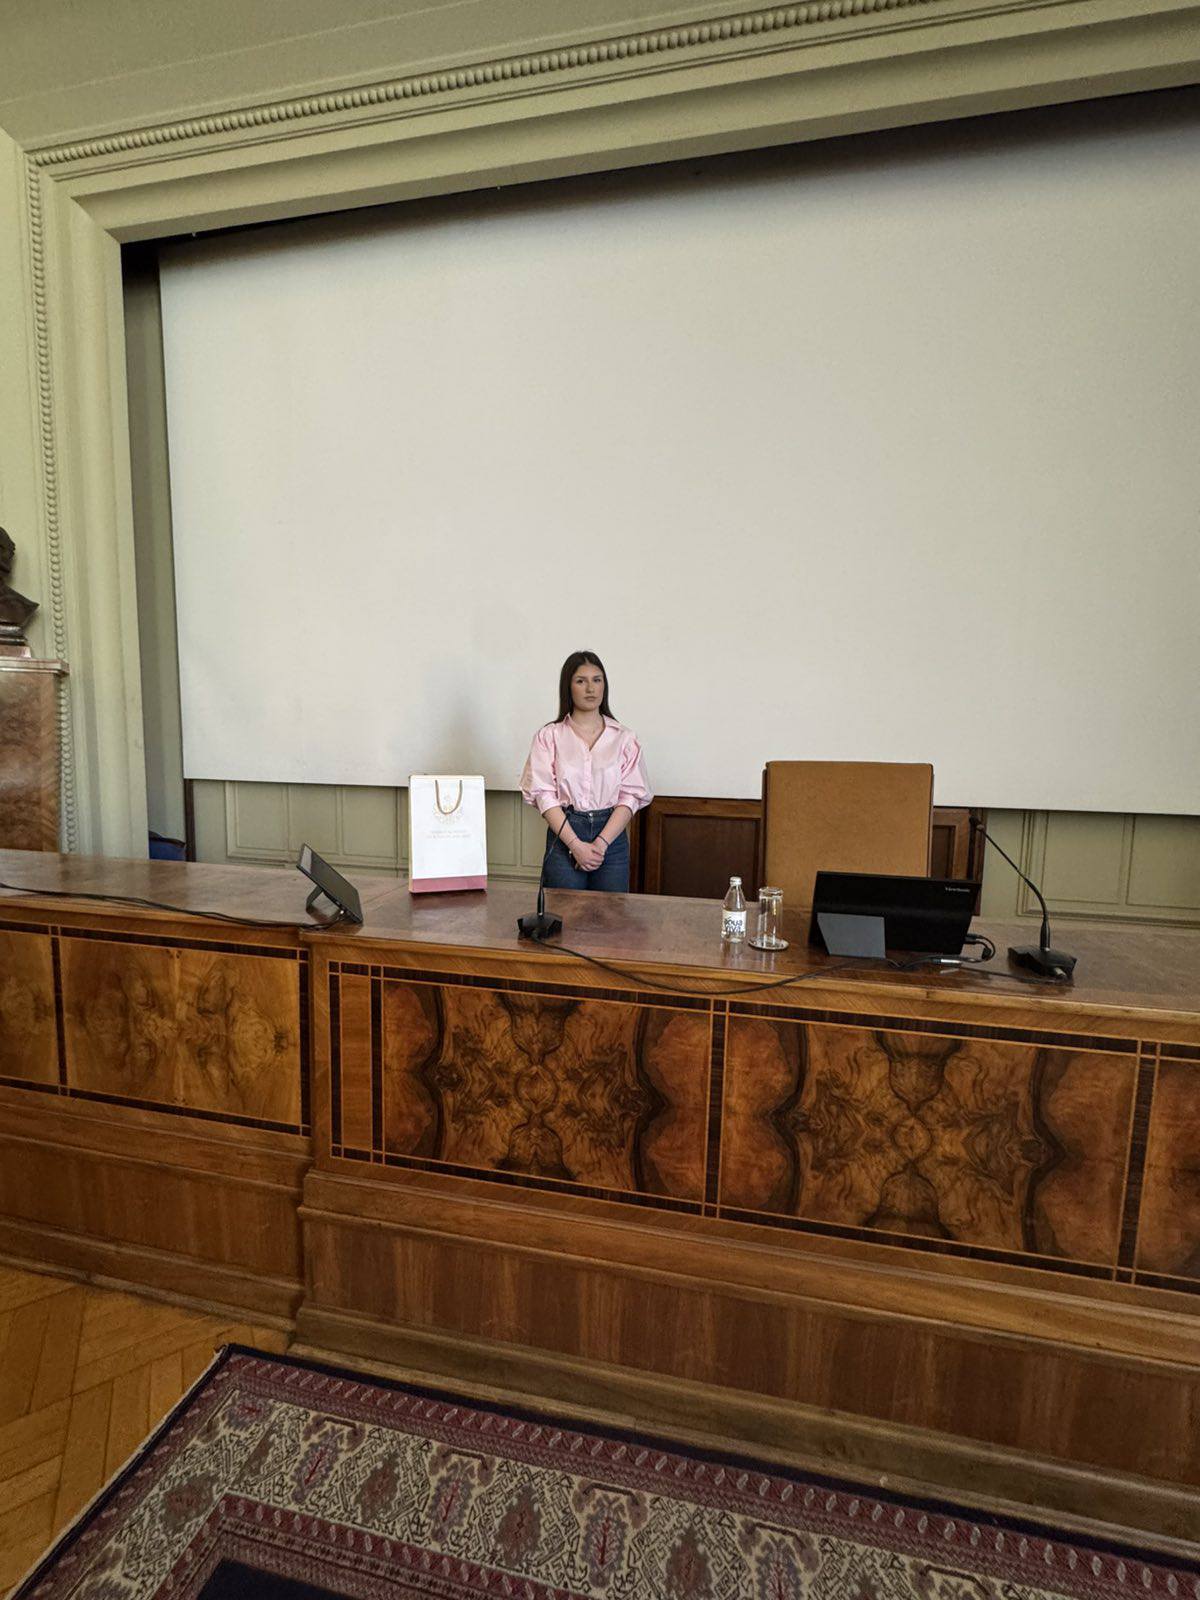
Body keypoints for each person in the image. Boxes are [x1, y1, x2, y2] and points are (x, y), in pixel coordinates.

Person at [519, 651, 652, 892]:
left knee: (612, 912)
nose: (591, 688)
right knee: (564, 910)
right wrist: (575, 845)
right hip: (565, 832)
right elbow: (543, 795)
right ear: (568, 687)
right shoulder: (549, 736)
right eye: (581, 681)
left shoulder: (624, 738)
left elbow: (631, 796)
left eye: (597, 680)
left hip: (611, 835)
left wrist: (601, 843)